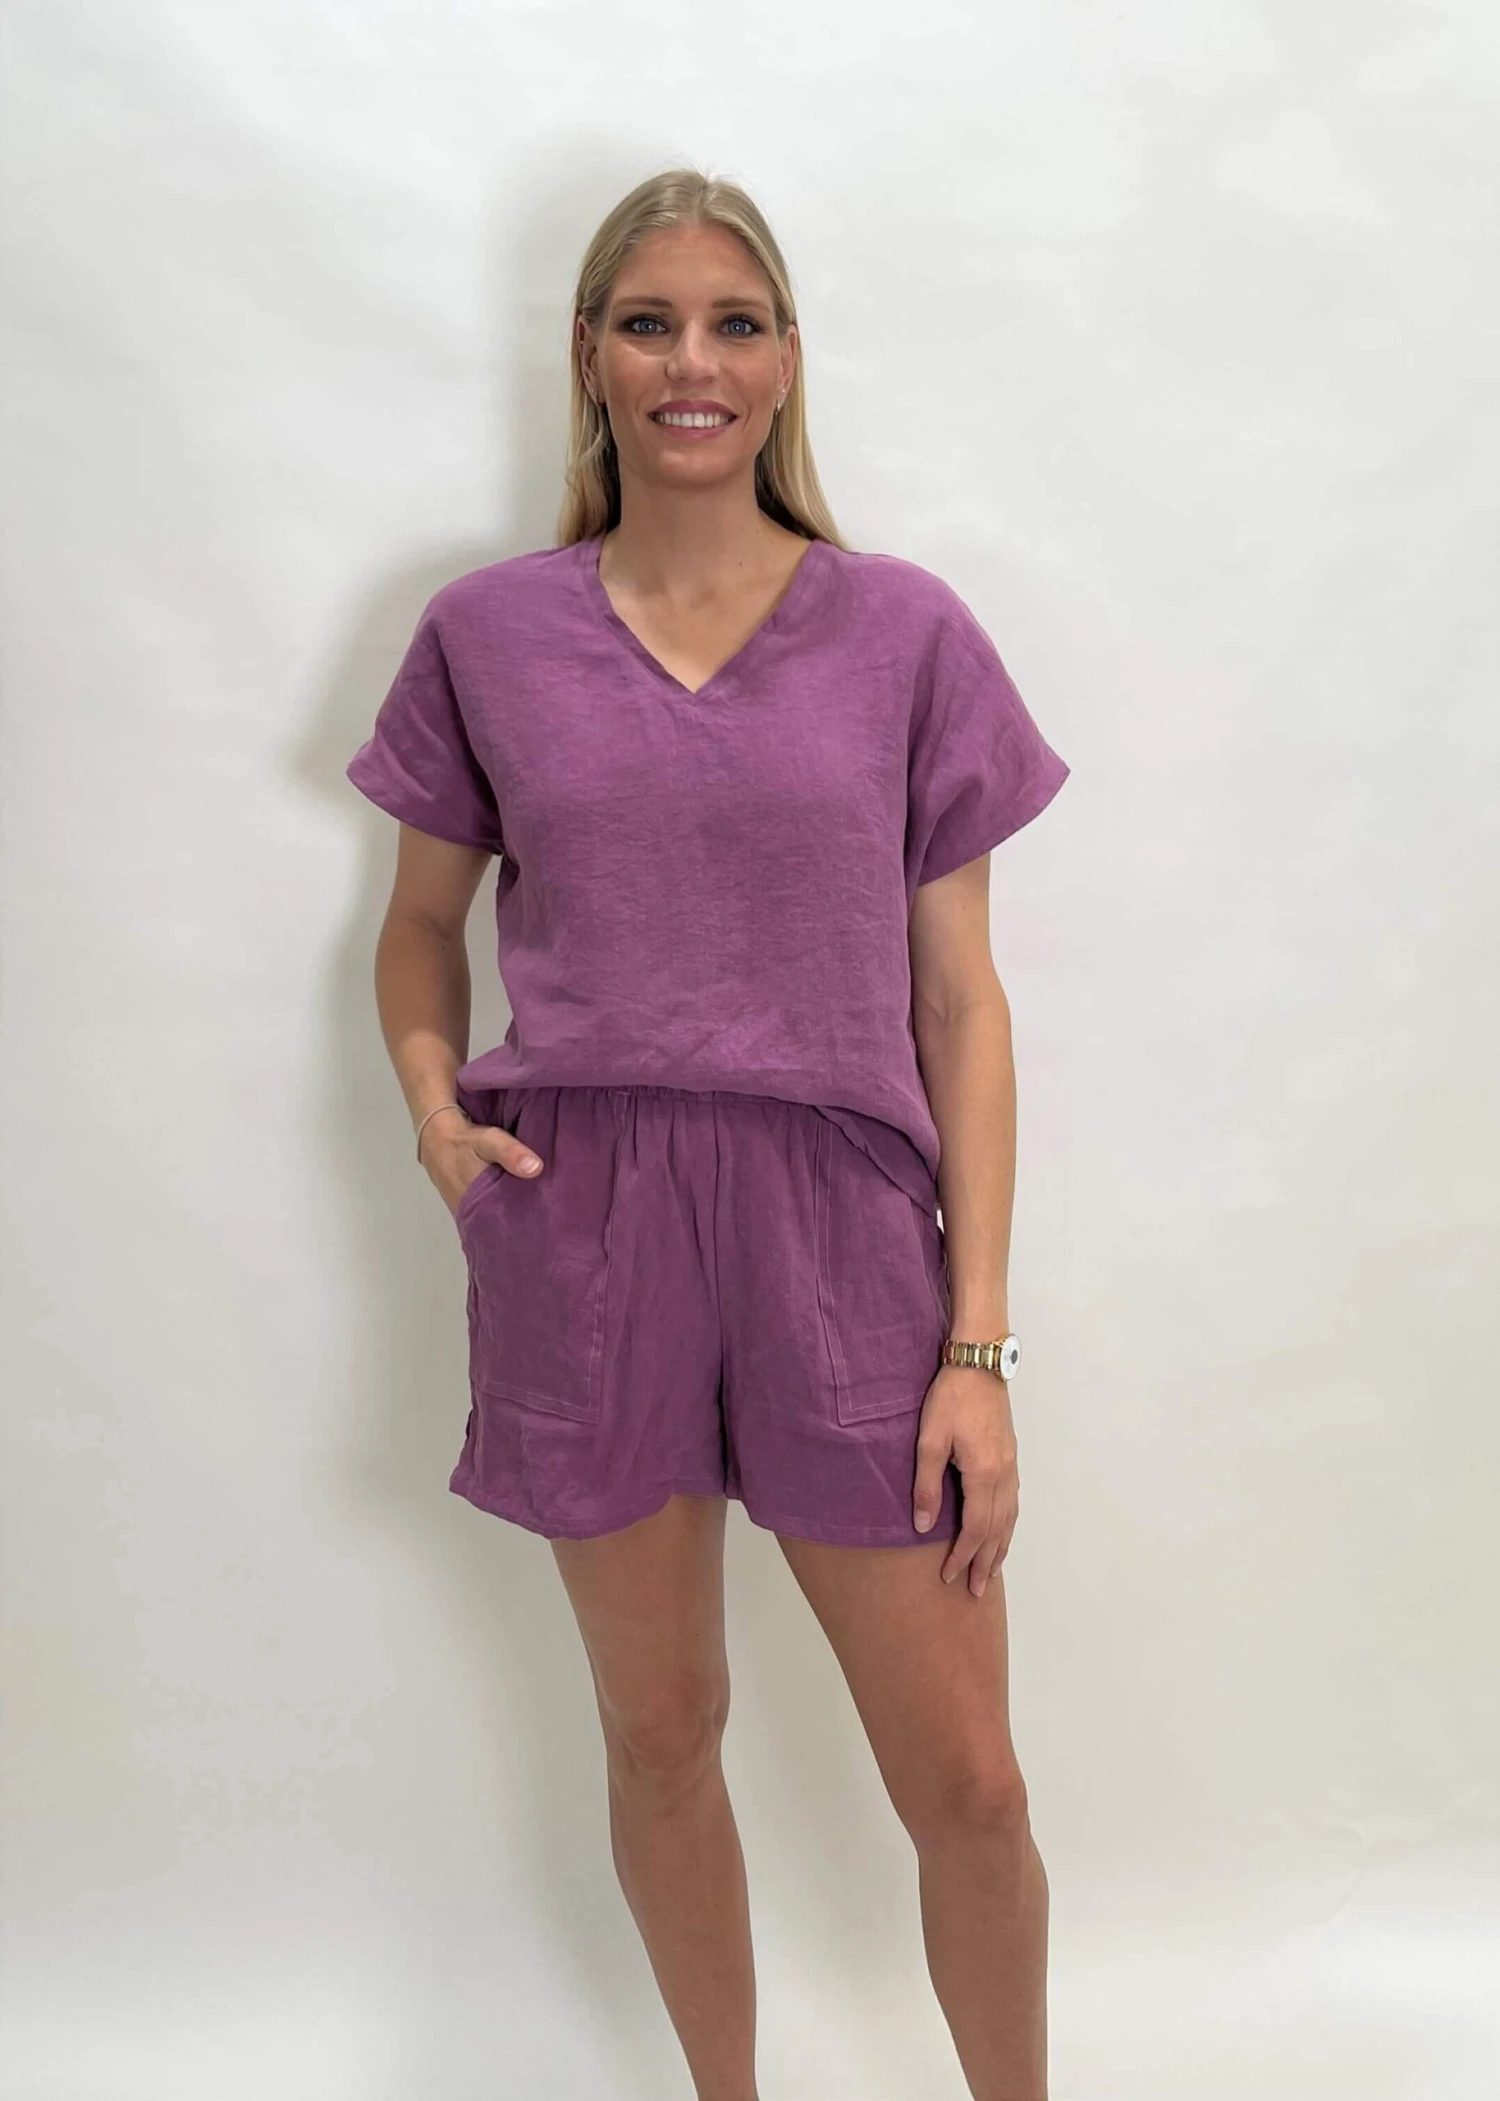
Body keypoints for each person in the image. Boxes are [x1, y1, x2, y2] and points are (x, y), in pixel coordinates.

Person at [346, 166, 1069, 2101]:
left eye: (735, 324)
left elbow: (960, 1005)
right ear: (589, 354)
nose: (694, 363)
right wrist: (434, 1114)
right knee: (661, 1734)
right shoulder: (486, 633)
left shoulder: (903, 632)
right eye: (650, 323)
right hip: (583, 1221)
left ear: (787, 361)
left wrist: (979, 1345)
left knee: (972, 1788)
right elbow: (416, 928)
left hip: (844, 1228)